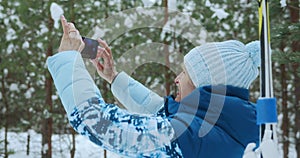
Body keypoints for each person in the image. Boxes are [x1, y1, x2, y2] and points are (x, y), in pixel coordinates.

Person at [47, 15, 259, 158]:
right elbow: (161, 111)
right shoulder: (230, 125)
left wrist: (68, 59)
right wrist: (114, 77)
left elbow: (97, 122)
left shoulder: (194, 138)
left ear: (203, 86)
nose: (177, 78)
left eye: (185, 73)